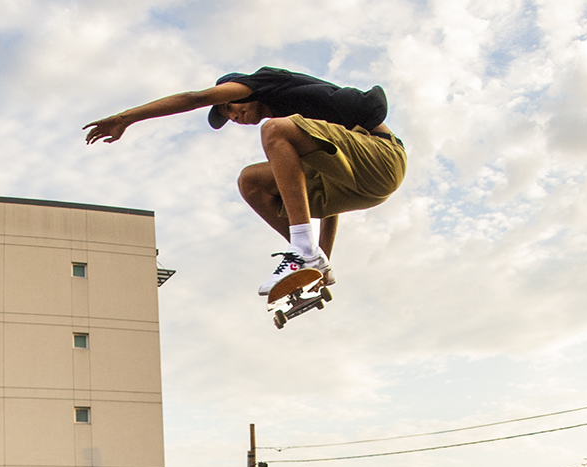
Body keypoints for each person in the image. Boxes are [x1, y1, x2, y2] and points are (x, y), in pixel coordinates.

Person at [84, 69, 404, 297]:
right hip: (360, 183)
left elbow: (195, 97)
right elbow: (327, 207)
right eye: (228, 117)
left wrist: (127, 117)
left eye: (230, 106)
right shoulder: (305, 139)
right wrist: (325, 262)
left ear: (239, 91)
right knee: (251, 181)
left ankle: (303, 250)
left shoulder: (262, 85)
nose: (234, 115)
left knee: (275, 131)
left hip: (383, 156)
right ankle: (309, 256)